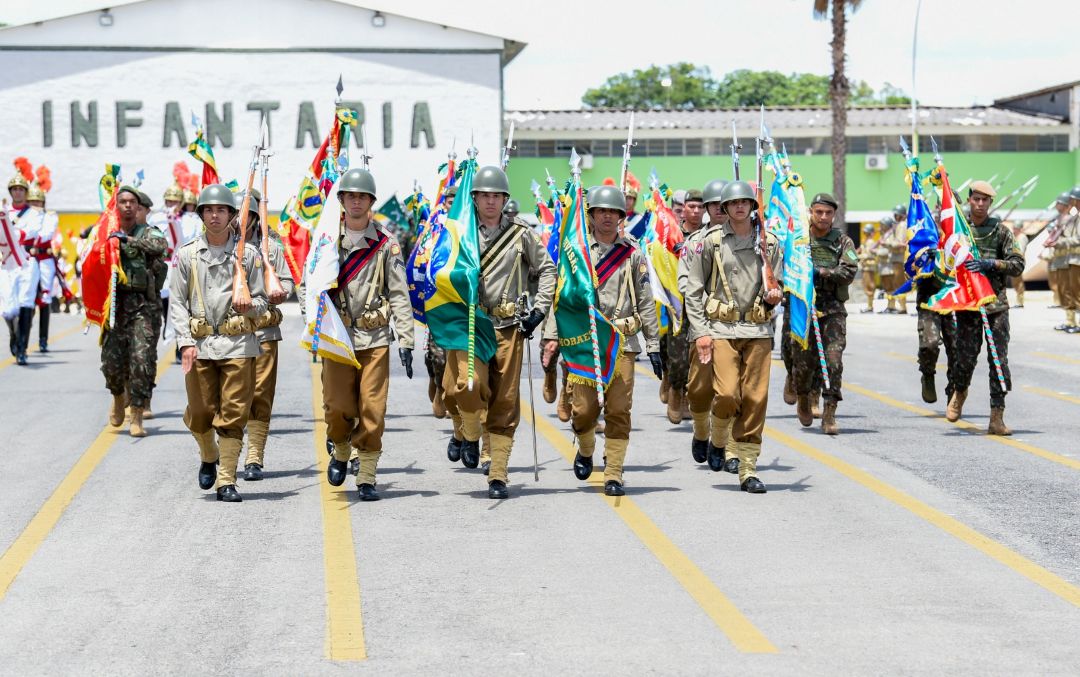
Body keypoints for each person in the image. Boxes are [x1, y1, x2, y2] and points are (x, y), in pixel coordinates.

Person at [441, 165, 555, 500]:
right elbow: (438, 271)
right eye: (485, 195)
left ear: (505, 199)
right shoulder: (459, 233)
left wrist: (539, 309)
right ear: (473, 198)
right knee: (464, 385)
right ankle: (471, 432)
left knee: (504, 401)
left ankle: (498, 473)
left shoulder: (521, 234)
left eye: (497, 196)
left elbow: (546, 268)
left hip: (508, 327)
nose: (491, 201)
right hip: (470, 325)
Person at [300, 168, 414, 501]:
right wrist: (314, 325)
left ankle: (366, 474)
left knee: (373, 409)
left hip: (373, 338)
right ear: (341, 200)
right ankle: (340, 448)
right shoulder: (326, 240)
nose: (356, 202)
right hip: (337, 336)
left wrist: (405, 339)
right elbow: (310, 285)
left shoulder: (385, 243)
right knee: (336, 407)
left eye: (362, 196)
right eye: (350, 196)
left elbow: (398, 294)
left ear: (371, 202)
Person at [542, 185, 661, 495]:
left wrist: (654, 343)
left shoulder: (633, 253)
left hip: (622, 342)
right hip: (583, 341)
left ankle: (614, 471)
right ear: (591, 215)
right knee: (583, 411)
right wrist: (551, 337)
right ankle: (585, 447)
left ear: (621, 216)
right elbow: (561, 299)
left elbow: (647, 299)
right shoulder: (575, 252)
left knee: (619, 409)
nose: (607, 216)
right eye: (601, 211)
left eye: (613, 212)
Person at [682, 180, 783, 493]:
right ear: (723, 208)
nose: (740, 207)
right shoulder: (709, 242)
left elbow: (776, 280)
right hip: (721, 328)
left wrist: (774, 294)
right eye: (733, 203)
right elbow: (694, 289)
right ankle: (717, 436)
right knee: (727, 394)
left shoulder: (769, 242)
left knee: (755, 398)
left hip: (758, 329)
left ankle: (748, 467)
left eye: (745, 202)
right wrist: (700, 332)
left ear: (753, 206)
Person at [170, 184, 268, 502]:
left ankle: (226, 479)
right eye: (209, 210)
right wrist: (184, 342)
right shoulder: (186, 255)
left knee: (234, 411)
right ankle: (208, 455)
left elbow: (266, 303)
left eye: (221, 210)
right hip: (196, 345)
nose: (215, 215)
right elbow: (177, 303)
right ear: (201, 215)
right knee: (199, 412)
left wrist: (250, 306)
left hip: (239, 343)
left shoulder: (248, 256)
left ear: (231, 215)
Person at [946, 181, 1024, 435]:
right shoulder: (959, 229)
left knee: (998, 361)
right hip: (968, 305)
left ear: (990, 203)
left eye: (985, 200)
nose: (980, 204)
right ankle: (959, 392)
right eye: (976, 199)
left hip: (995, 306)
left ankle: (996, 416)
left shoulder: (1001, 231)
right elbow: (944, 259)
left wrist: (992, 264)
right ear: (969, 200)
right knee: (965, 358)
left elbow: (1017, 264)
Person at [237, 188, 294, 482]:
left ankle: (254, 455)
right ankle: (224, 452)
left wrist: (278, 290)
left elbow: (286, 282)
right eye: (240, 212)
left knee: (260, 395)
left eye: (250, 214)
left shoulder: (271, 247)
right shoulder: (223, 244)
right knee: (230, 398)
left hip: (264, 330)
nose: (243, 219)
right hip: (230, 335)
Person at [101, 186, 168, 437]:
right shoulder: (106, 233)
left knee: (141, 359)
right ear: (115, 206)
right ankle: (119, 395)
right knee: (111, 361)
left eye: (133, 202)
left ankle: (137, 413)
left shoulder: (148, 232)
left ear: (139, 207)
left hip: (142, 305)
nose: (128, 206)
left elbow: (159, 246)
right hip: (115, 305)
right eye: (123, 202)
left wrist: (128, 240)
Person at [791, 193, 857, 435]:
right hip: (803, 307)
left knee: (833, 361)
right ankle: (803, 396)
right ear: (811, 211)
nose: (823, 217)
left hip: (832, 309)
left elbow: (849, 270)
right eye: (819, 212)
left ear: (834, 215)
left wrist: (821, 272)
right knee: (803, 363)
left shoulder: (842, 241)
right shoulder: (799, 238)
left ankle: (829, 411)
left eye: (828, 213)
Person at [660, 188, 704, 425]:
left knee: (698, 357)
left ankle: (686, 395)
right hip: (677, 304)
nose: (696, 211)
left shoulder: (710, 235)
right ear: (683, 209)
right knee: (677, 356)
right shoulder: (672, 235)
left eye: (700, 207)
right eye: (691, 207)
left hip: (703, 304)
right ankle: (675, 388)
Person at [1045, 191, 1072, 325]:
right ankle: (1069, 320)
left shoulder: (1069, 219)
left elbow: (1068, 239)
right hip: (1060, 258)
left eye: (1059, 203)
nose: (1056, 205)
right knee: (1063, 290)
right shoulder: (1060, 218)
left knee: (1069, 290)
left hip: (1068, 259)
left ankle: (1072, 321)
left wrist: (1056, 241)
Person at [856, 223, 879, 313]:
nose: (865, 234)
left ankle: (870, 306)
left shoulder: (870, 242)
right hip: (865, 266)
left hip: (869, 266)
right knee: (866, 286)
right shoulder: (866, 241)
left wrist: (859, 256)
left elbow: (869, 254)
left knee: (869, 286)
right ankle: (869, 305)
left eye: (866, 233)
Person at [1009, 222, 1028, 308]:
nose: (1014, 230)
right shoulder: (1015, 237)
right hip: (1014, 261)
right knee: (1015, 282)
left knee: (1019, 281)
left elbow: (1021, 250)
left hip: (1018, 261)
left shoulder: (1022, 237)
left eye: (1015, 228)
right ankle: (1018, 300)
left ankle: (1020, 301)